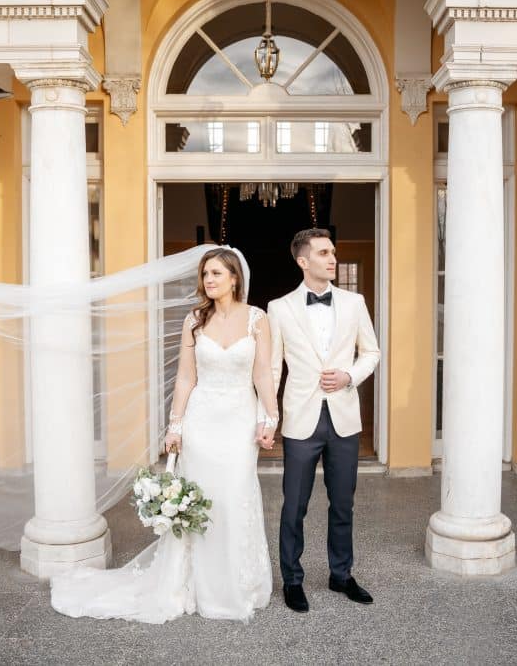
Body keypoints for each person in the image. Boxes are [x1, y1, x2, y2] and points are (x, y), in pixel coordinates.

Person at [50, 247, 279, 623]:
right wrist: (175, 427)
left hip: (238, 421)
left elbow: (263, 374)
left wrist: (270, 417)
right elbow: (186, 376)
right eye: (206, 274)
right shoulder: (194, 319)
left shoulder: (257, 319)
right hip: (201, 420)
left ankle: (237, 584)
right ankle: (193, 584)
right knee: (202, 498)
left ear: (235, 278)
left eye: (217, 273)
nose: (209, 280)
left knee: (236, 495)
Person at [267, 228, 380, 613]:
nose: (332, 258)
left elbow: (372, 352)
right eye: (323, 252)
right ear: (303, 261)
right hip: (301, 417)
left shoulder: (354, 302)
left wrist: (350, 375)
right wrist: (269, 418)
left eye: (333, 251)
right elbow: (271, 367)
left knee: (343, 504)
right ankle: (292, 580)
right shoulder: (279, 308)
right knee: (294, 505)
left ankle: (341, 575)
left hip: (344, 417)